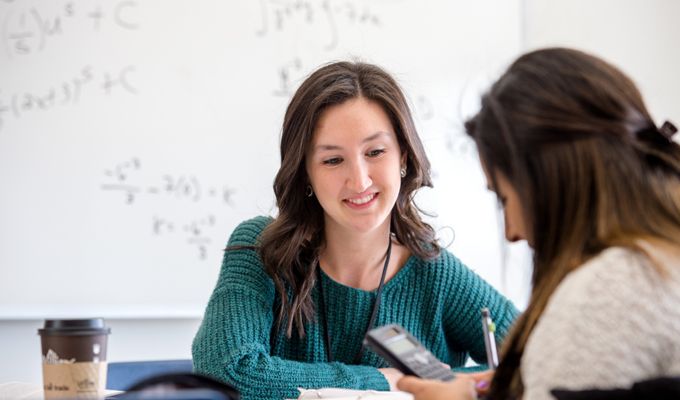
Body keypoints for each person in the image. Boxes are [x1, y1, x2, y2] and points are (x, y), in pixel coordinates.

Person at [191, 61, 519, 400]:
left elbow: (532, 361)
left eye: (375, 152)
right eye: (333, 160)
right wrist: (383, 381)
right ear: (305, 172)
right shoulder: (260, 249)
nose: (359, 180)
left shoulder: (434, 274)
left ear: (403, 157)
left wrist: (439, 382)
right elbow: (225, 373)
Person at [398, 47, 680, 400]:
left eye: (504, 199)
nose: (511, 233)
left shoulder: (611, 288)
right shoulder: (660, 259)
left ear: (548, 184)